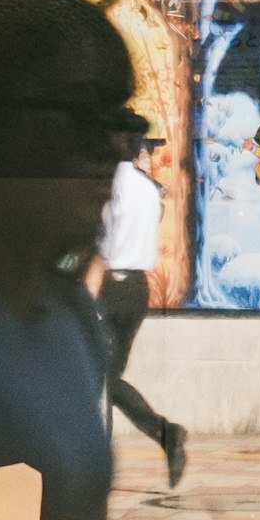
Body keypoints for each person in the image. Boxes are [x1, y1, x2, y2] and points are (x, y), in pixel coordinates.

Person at [93, 139, 192, 489]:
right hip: (137, 290)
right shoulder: (148, 189)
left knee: (103, 378)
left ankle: (164, 433)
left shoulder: (106, 186)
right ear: (137, 154)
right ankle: (162, 436)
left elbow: (98, 240)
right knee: (107, 377)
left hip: (106, 287)